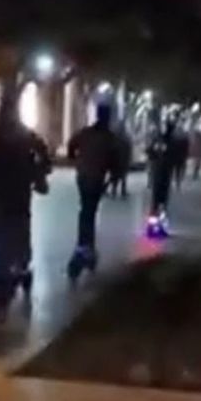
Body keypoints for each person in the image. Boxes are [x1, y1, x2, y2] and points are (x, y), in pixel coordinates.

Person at [0, 93, 51, 355]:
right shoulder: (24, 144)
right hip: (15, 213)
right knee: (15, 262)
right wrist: (39, 174)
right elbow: (41, 174)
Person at [66, 101, 131, 274]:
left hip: (84, 177)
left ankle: (85, 246)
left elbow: (71, 146)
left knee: (86, 211)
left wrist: (77, 161)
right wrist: (113, 176)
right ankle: (85, 247)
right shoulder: (109, 138)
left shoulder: (85, 133)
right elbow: (116, 161)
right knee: (89, 211)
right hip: (96, 179)